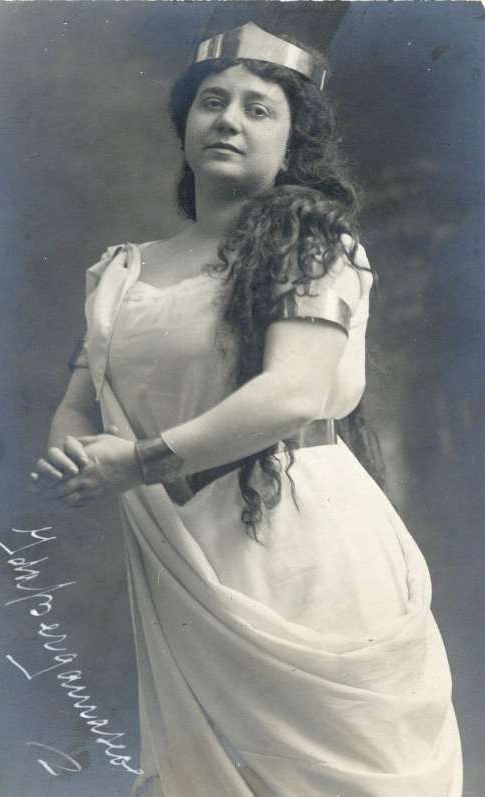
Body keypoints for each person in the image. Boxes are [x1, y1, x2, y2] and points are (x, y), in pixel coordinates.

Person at [30, 23, 462, 797]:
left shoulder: (313, 244)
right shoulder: (123, 272)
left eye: (258, 108)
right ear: (185, 125)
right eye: (212, 102)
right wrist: (72, 450)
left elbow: (292, 393)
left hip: (300, 542)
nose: (228, 120)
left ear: (293, 140)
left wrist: (135, 462)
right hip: (183, 554)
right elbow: (77, 405)